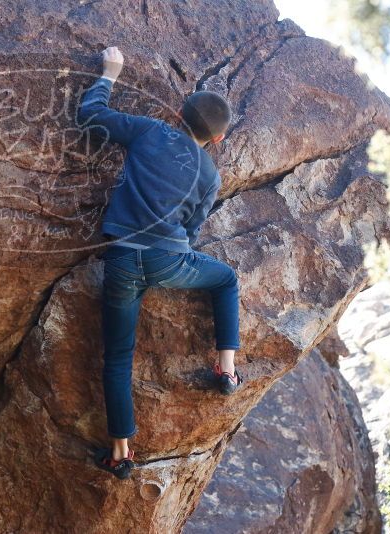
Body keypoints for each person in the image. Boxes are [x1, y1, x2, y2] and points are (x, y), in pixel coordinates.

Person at [77, 47, 242, 480]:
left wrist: (111, 73)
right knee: (225, 279)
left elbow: (90, 114)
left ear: (177, 112)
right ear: (218, 139)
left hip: (123, 260)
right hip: (170, 260)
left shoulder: (149, 131)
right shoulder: (209, 175)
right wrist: (173, 259)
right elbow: (193, 230)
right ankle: (226, 370)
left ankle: (122, 454)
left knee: (117, 357)